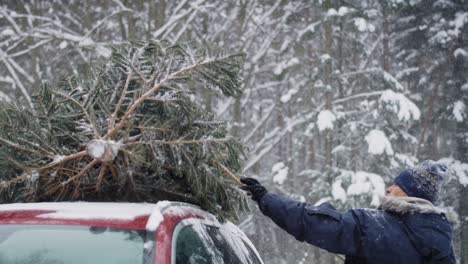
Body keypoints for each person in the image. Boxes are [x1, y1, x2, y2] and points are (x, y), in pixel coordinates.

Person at [240, 160, 456, 263]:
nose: (388, 188)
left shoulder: (374, 226)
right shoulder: (443, 246)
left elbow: (312, 222)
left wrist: (266, 198)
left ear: (412, 194)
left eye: (398, 185)